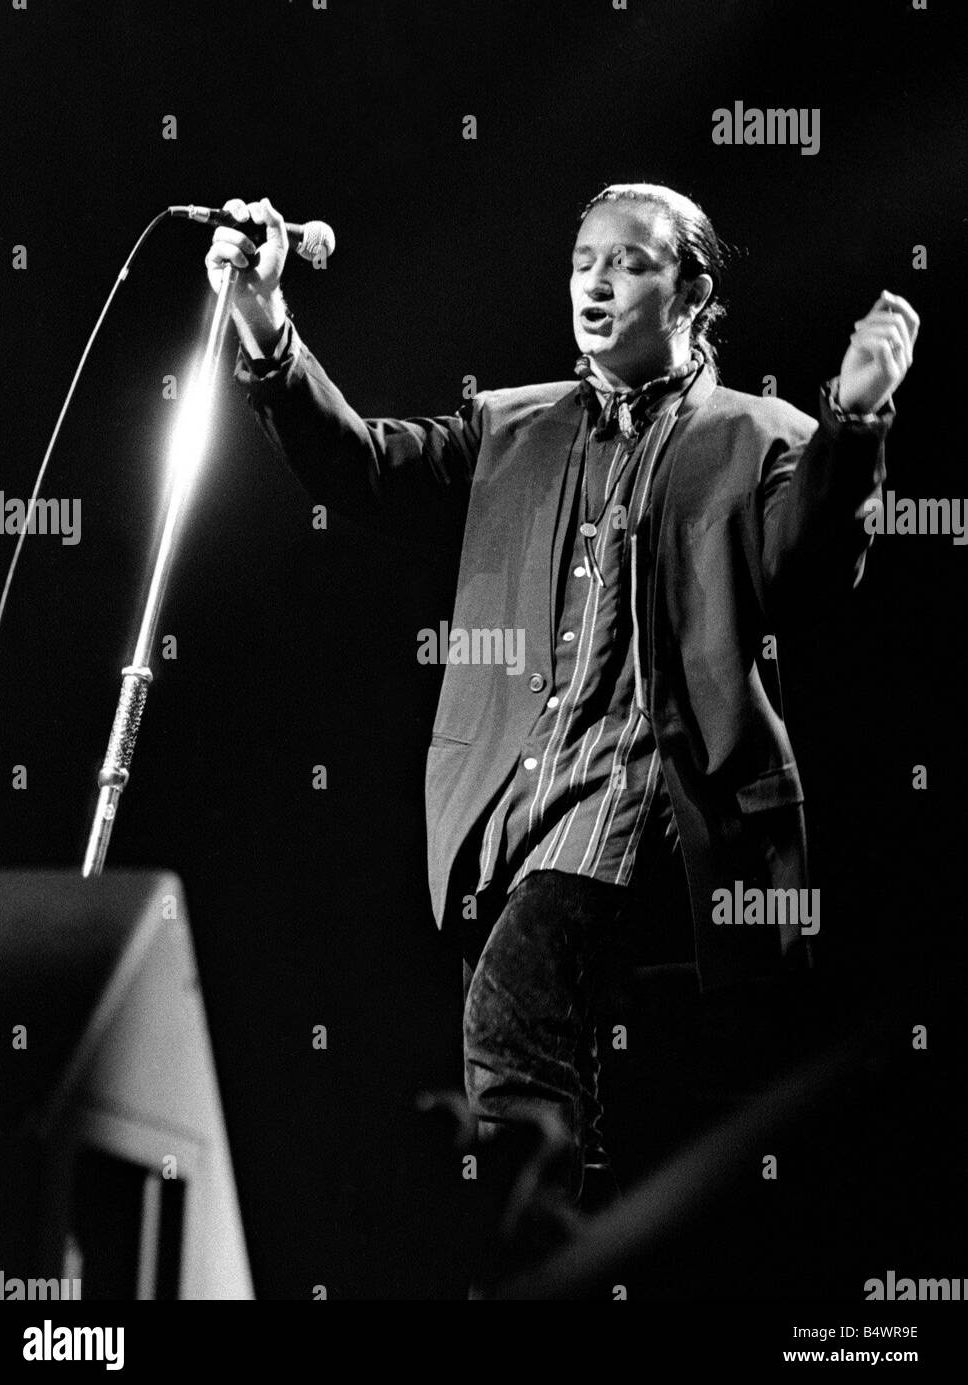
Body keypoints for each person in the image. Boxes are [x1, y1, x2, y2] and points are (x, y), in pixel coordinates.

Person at [205, 185, 918, 1221]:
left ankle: (541, 1255)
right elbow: (358, 467)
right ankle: (571, 1246)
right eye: (584, 257)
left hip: (652, 809)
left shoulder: (760, 434)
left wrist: (852, 422)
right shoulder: (510, 427)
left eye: (628, 261)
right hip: (513, 813)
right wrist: (265, 318)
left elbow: (810, 561)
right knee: (570, 1097)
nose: (595, 278)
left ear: (691, 291)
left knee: (509, 1022)